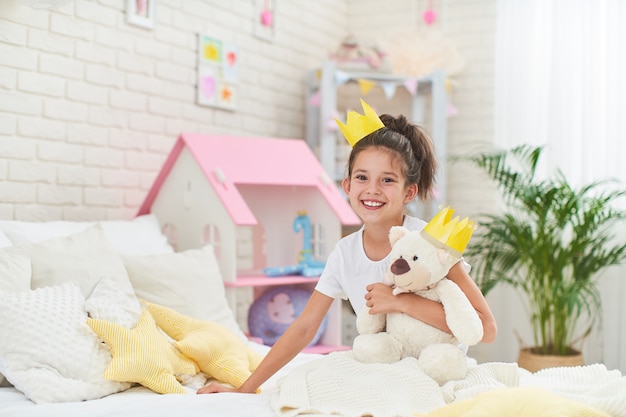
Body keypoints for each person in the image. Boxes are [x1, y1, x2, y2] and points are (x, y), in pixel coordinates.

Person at [197, 102, 497, 395]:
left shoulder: (429, 242)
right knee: (307, 386)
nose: (372, 189)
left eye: (388, 180)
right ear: (348, 186)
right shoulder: (345, 253)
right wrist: (245, 389)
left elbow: (485, 327)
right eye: (362, 177)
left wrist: (400, 302)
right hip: (384, 373)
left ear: (410, 191)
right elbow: (304, 328)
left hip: (436, 373)